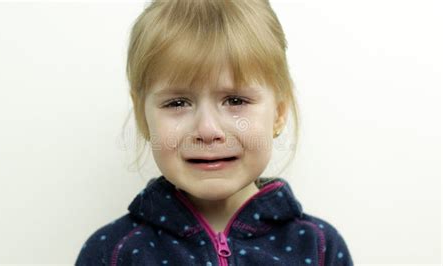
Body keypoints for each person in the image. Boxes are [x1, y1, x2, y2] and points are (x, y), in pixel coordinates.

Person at [75, 0, 353, 265]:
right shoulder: (112, 252)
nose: (208, 130)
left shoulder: (320, 248)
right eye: (177, 103)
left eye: (235, 101)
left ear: (278, 113)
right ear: (143, 116)